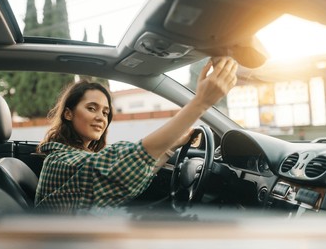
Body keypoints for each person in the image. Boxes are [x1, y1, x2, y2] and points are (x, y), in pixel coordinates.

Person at [34, 56, 238, 212]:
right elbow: (121, 163)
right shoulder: (61, 161)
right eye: (91, 108)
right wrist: (200, 103)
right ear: (68, 114)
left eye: (105, 112)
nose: (101, 118)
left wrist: (169, 149)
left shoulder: (78, 157)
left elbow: (126, 176)